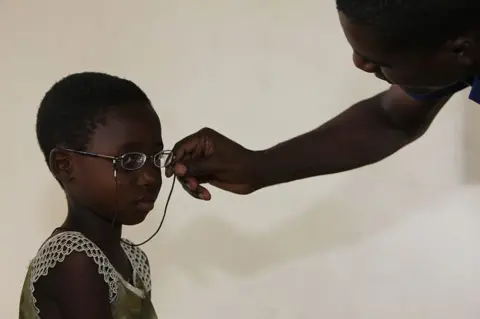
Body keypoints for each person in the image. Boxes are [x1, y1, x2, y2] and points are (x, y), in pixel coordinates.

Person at [167, 0, 480, 200]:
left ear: (461, 51)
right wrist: (257, 167)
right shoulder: (455, 38)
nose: (360, 64)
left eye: (381, 61)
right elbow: (392, 119)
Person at [19, 72, 172, 319]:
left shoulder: (132, 258)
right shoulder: (73, 260)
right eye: (129, 159)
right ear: (64, 165)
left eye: (155, 157)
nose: (151, 177)